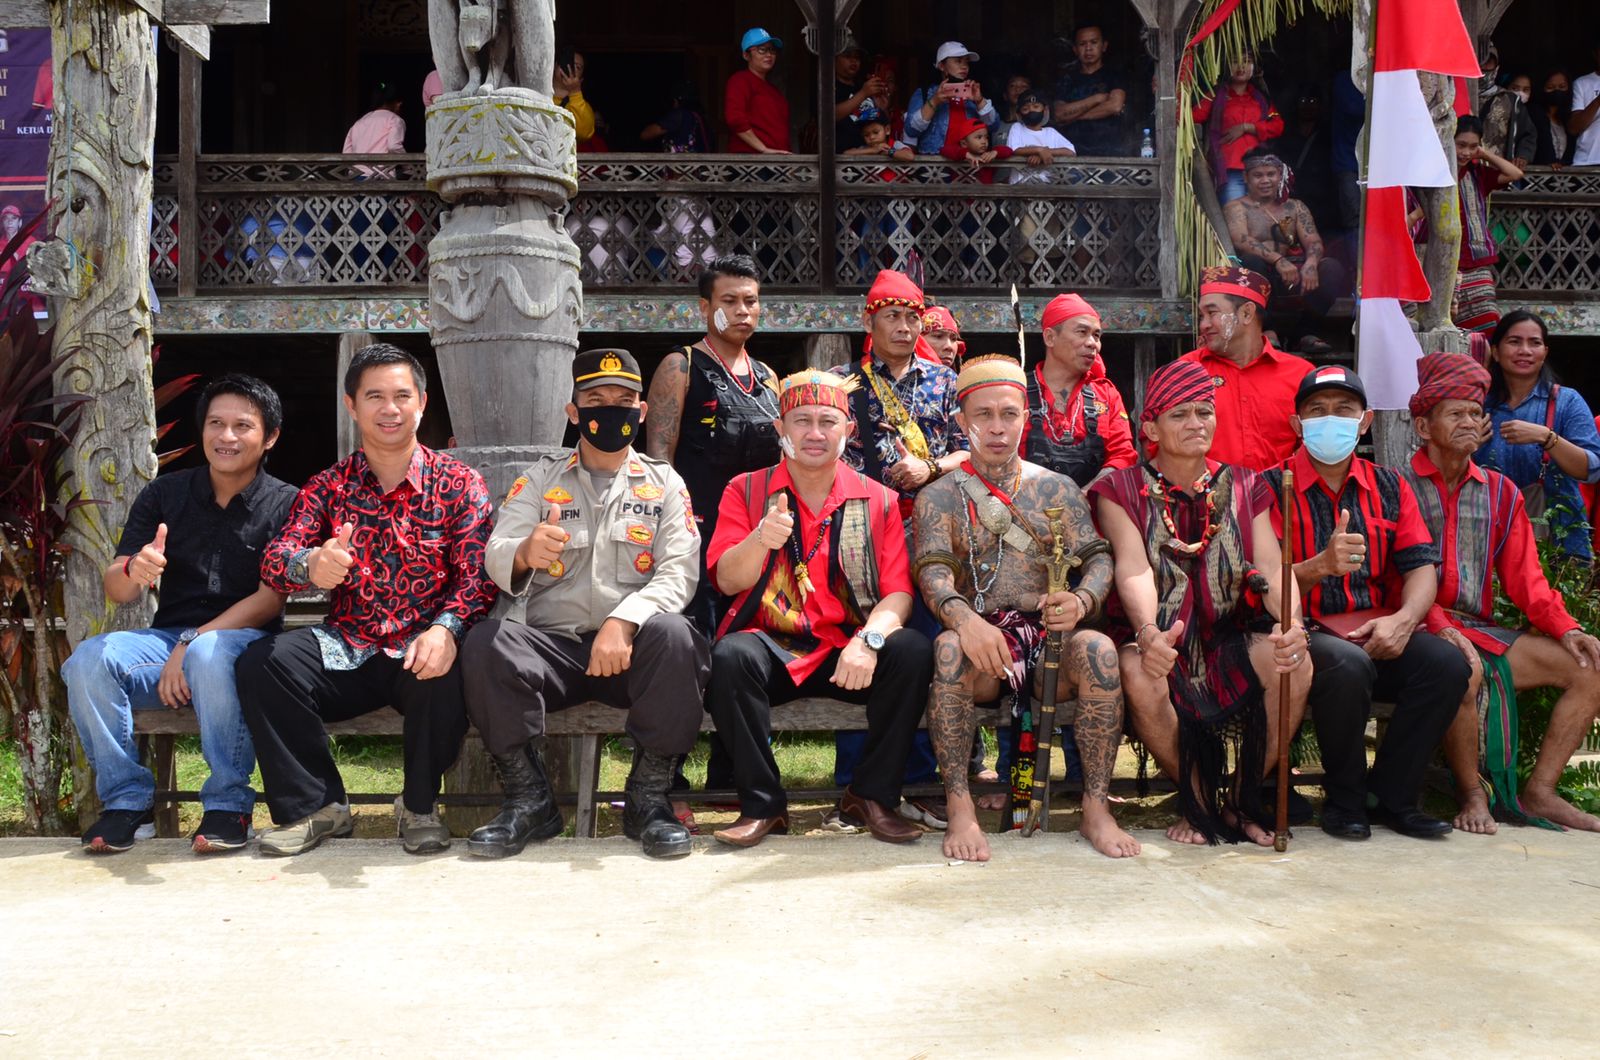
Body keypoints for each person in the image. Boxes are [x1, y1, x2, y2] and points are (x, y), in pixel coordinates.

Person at [237, 344, 495, 857]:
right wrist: (309, 565)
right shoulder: (328, 486)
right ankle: (320, 808)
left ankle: (419, 805)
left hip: (421, 648)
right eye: (374, 395)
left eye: (402, 395)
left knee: (446, 672)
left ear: (421, 402)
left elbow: (478, 578)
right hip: (347, 646)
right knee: (262, 665)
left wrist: (447, 628)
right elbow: (276, 558)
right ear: (351, 405)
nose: (389, 408)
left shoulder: (459, 483)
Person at [460, 349, 707, 860]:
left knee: (678, 637)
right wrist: (527, 553)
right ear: (573, 412)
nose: (610, 411)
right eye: (596, 400)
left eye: (623, 401)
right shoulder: (540, 479)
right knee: (486, 642)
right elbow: (497, 551)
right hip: (554, 650)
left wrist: (625, 619)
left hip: (631, 653)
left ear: (641, 412)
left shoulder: (665, 484)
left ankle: (647, 799)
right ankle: (529, 800)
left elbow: (678, 573)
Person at [915, 355, 1138, 862]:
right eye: (984, 415)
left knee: (1101, 653)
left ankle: (1095, 807)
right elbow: (933, 575)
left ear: (1025, 418)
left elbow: (1099, 560)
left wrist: (1080, 601)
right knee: (949, 652)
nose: (997, 428)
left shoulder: (1056, 489)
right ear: (960, 421)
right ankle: (960, 806)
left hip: (1051, 639)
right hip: (984, 643)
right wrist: (967, 623)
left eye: (1009, 414)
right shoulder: (940, 497)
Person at [64, 375, 297, 854]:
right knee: (90, 660)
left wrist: (191, 642)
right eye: (216, 423)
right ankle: (128, 803)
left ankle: (229, 804)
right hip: (168, 644)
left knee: (210, 651)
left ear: (269, 436)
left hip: (243, 645)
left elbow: (270, 599)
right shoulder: (165, 494)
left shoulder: (286, 502)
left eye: (242, 426)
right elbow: (118, 587)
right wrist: (136, 566)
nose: (226, 437)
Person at [706, 370, 931, 847]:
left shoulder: (880, 500)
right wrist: (758, 540)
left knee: (910, 651)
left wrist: (869, 641)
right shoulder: (744, 490)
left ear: (847, 430)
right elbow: (727, 579)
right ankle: (763, 805)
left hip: (848, 646)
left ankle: (870, 794)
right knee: (729, 657)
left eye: (827, 421)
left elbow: (899, 594)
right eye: (801, 421)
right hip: (775, 644)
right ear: (780, 430)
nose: (814, 433)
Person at [1091, 359, 1310, 846]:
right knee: (1138, 673)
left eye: (1204, 412)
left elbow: (1273, 569)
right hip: (1157, 635)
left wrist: (1292, 624)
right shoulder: (1120, 489)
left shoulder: (1247, 484)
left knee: (1294, 663)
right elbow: (1134, 567)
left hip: (1227, 634)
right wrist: (1148, 633)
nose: (1196, 423)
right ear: (1150, 426)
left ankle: (1238, 800)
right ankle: (1199, 801)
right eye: (1179, 414)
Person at [1263, 365, 1466, 841]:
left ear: (1365, 421)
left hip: (1376, 626)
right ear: (1296, 425)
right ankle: (1345, 799)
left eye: (1343, 410)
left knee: (1445, 666)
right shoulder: (1270, 486)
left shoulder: (1392, 486)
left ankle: (1392, 797)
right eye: (1317, 411)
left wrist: (1404, 620)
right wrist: (1320, 565)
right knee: (1346, 666)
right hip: (1303, 630)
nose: (1330, 420)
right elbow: (1265, 582)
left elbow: (1420, 567)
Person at [1404, 351, 1600, 836]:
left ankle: (1542, 792)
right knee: (1460, 670)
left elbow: (1528, 582)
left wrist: (1567, 628)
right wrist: (1443, 629)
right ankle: (1473, 793)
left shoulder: (1502, 492)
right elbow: (1394, 584)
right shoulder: (1395, 486)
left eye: (1476, 412)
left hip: (1481, 632)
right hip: (1415, 629)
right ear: (1424, 427)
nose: (1470, 422)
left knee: (1591, 667)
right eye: (1456, 413)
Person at [644, 255, 781, 635]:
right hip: (699, 532)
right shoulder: (681, 366)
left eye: (751, 301)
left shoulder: (769, 377)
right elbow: (659, 461)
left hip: (759, 532)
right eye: (730, 301)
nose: (742, 311)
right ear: (706, 307)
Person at [832, 269, 970, 512]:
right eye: (892, 316)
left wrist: (930, 468)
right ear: (868, 322)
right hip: (860, 515)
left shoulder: (946, 380)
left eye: (912, 318)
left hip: (933, 515)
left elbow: (969, 452)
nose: (904, 328)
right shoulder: (840, 382)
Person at [1475, 310, 1600, 563]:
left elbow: (1592, 469)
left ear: (1545, 353)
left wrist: (1547, 438)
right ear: (1496, 352)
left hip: (1561, 548)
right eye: (1514, 341)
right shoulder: (1477, 405)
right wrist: (1465, 446)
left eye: (1535, 343)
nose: (1525, 350)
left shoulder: (1566, 401)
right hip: (1486, 541)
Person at [1178, 265, 1313, 471]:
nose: (1203, 325)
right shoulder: (1186, 370)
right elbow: (1158, 443)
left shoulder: (1300, 374)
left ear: (1247, 314)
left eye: (1212, 313)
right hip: (1203, 499)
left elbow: (1315, 448)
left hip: (1279, 499)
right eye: (1201, 316)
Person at [1224, 148, 1349, 351]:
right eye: (1258, 175)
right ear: (1246, 178)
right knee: (1251, 262)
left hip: (1292, 275)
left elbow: (1313, 241)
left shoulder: (1295, 207)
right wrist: (1278, 260)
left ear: (1280, 175)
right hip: (1261, 273)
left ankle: (1306, 332)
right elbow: (1241, 240)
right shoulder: (1236, 207)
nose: (1265, 180)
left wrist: (1311, 263)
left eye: (1271, 174)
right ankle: (1267, 329)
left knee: (1332, 268)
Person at [1021, 293, 1136, 486]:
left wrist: (1088, 493)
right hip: (1026, 506)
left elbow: (1123, 455)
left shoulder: (1106, 395)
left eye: (1096, 335)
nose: (1093, 344)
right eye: (1082, 332)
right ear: (1050, 337)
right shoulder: (1017, 391)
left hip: (1092, 508)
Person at [1451, 115, 1524, 335]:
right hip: (1443, 262)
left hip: (1475, 260)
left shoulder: (1477, 173)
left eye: (1473, 147)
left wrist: (1483, 154)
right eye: (1461, 145)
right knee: (1446, 325)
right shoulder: (1433, 171)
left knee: (1486, 327)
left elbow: (1515, 173)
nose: (1466, 152)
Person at [1192, 53, 1282, 202]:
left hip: (1260, 169)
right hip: (1231, 169)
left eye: (1247, 62)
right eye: (1235, 61)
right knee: (1235, 215)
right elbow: (1193, 117)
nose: (1241, 66)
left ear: (1255, 68)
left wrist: (1247, 127)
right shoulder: (1215, 95)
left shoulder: (1261, 98)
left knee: (1261, 217)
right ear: (1227, 67)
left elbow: (1277, 126)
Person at [905, 41, 998, 156]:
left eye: (966, 62)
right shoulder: (925, 93)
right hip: (935, 168)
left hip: (970, 165)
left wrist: (979, 101)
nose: (964, 66)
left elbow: (994, 127)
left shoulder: (973, 92)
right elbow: (911, 130)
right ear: (941, 66)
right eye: (958, 61)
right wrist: (934, 101)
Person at [1051, 24, 1129, 157]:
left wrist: (1073, 116)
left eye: (1094, 42)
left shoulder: (1115, 75)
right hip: (1072, 154)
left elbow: (1115, 106)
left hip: (1110, 153)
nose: (1088, 48)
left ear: (1104, 46)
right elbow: (1059, 114)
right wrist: (1096, 99)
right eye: (1082, 44)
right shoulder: (1067, 79)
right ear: (1075, 49)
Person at [725, 28, 791, 155]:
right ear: (746, 55)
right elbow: (735, 119)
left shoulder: (774, 90)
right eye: (762, 50)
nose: (769, 55)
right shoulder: (740, 80)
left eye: (772, 50)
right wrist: (763, 149)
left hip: (778, 161)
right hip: (752, 161)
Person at [342, 81, 407, 176]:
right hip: (381, 176)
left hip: (356, 177)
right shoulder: (394, 119)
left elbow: (346, 153)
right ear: (397, 103)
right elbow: (393, 146)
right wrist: (408, 166)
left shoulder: (359, 122)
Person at [833, 40, 884, 153]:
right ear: (834, 60)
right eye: (847, 56)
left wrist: (882, 107)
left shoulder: (863, 85)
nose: (853, 60)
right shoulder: (828, 87)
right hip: (842, 159)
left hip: (871, 155)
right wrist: (863, 94)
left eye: (857, 57)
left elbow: (880, 122)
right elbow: (830, 116)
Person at [1003, 89, 1076, 165]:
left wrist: (1045, 153)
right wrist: (1039, 150)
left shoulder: (1050, 132)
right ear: (1019, 114)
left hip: (1048, 177)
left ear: (1045, 110)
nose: (1031, 110)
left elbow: (1071, 152)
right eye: (1025, 109)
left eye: (1036, 107)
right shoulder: (1017, 128)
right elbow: (1013, 150)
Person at [1482, 72, 1536, 171]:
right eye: (1515, 88)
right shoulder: (1474, 96)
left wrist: (1523, 155)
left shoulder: (1517, 106)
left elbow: (1528, 134)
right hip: (1477, 161)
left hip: (1505, 166)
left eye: (1526, 90)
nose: (1521, 93)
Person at [1530, 70, 1576, 167]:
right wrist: (1549, 160)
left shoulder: (1569, 118)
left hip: (1566, 176)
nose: (1557, 91)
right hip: (1538, 175)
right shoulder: (1534, 113)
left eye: (1562, 87)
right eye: (1550, 87)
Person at [1566, 37, 1600, 166]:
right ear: (1596, 54)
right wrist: (1597, 101)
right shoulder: (1582, 83)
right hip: (1589, 161)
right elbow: (1574, 128)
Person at [552, 46, 596, 147]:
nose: (571, 69)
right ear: (555, 66)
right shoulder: (540, 97)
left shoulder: (583, 106)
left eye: (577, 67)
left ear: (581, 78)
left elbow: (583, 134)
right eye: (568, 63)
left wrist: (575, 92)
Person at [996, 73, 1033, 143]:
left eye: (1024, 86)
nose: (1018, 89)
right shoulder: (996, 125)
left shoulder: (1037, 125)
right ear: (1005, 95)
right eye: (1012, 86)